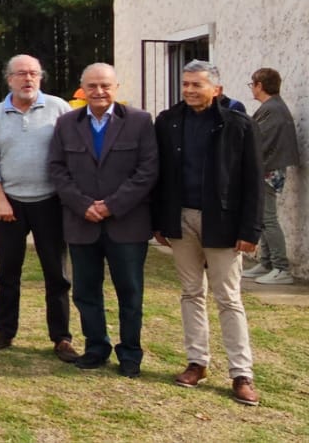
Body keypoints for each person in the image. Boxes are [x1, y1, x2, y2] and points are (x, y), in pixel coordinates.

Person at [153, 60, 264, 407]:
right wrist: (160, 221)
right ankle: (197, 363)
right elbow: (160, 175)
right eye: (185, 84)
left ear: (215, 89)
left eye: (196, 85)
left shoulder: (238, 124)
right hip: (181, 219)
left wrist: (250, 229)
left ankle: (241, 373)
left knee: (228, 298)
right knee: (190, 293)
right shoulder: (168, 121)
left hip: (224, 224)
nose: (188, 90)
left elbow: (253, 181)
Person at [47, 63, 158, 378]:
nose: (99, 92)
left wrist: (111, 205)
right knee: (85, 291)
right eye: (92, 86)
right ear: (82, 89)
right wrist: (84, 205)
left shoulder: (139, 121)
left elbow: (148, 170)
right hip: (82, 224)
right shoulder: (66, 123)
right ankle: (96, 347)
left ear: (116, 87)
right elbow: (57, 169)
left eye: (105, 86)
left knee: (130, 292)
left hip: (127, 224)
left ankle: (130, 354)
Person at [0, 54, 76, 360]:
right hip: (10, 204)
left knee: (56, 274)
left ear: (40, 78)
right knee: (7, 273)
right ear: (9, 79)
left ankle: (61, 338)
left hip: (50, 203)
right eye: (21, 74)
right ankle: (4, 332)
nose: (28, 79)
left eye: (33, 73)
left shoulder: (59, 108)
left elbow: (73, 152)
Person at [246, 67, 301, 285]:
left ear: (260, 85)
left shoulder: (273, 109)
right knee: (262, 217)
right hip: (267, 167)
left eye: (253, 84)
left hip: (269, 169)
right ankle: (267, 262)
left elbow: (259, 141)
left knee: (268, 218)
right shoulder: (272, 107)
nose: (252, 89)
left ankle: (281, 268)